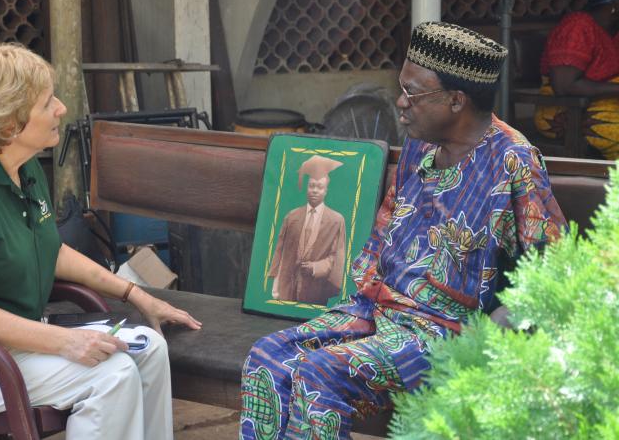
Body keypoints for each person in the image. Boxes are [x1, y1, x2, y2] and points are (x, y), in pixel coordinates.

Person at [240, 22, 567, 439]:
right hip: (378, 310)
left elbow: (553, 270)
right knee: (267, 357)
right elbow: (388, 226)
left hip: (446, 333)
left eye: (414, 93)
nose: (400, 101)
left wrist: (499, 329)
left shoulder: (513, 161)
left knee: (321, 373)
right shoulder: (421, 142)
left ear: (455, 100)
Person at [0, 43, 202, 440]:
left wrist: (136, 295)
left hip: (3, 344)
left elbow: (50, 250)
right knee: (111, 375)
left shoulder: (24, 166)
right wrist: (65, 342)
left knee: (149, 349)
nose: (61, 109)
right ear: (8, 126)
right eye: (46, 103)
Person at [535, 0, 619, 160]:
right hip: (567, 109)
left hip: (608, 103)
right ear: (614, 4)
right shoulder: (577, 27)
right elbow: (564, 86)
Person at [269, 155, 346, 305]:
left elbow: (336, 256)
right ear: (307, 187)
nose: (315, 190)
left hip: (315, 289)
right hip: (287, 287)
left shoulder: (336, 220)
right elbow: (281, 251)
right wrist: (276, 284)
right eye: (311, 186)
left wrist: (315, 267)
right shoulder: (292, 216)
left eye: (320, 187)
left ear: (326, 191)